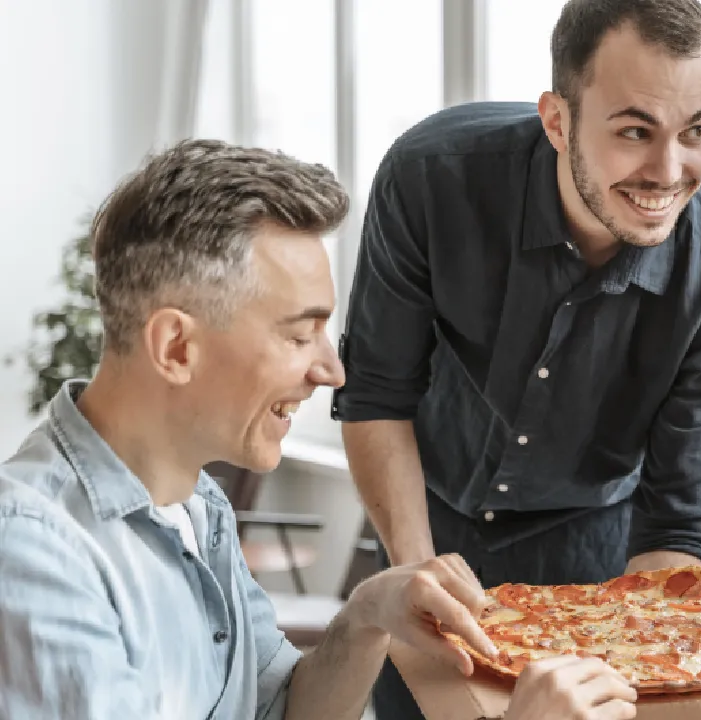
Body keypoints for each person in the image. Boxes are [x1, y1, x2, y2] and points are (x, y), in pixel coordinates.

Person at [0, 139, 637, 720]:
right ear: (175, 347)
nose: (332, 370)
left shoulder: (197, 507)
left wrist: (366, 616)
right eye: (298, 333)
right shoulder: (33, 553)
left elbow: (284, 709)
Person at [331, 1, 701, 715]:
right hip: (425, 527)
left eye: (697, 131)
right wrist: (417, 574)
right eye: (634, 131)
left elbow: (677, 524)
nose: (669, 171)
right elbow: (377, 395)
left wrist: (631, 648)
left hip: (596, 566)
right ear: (558, 121)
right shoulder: (429, 180)